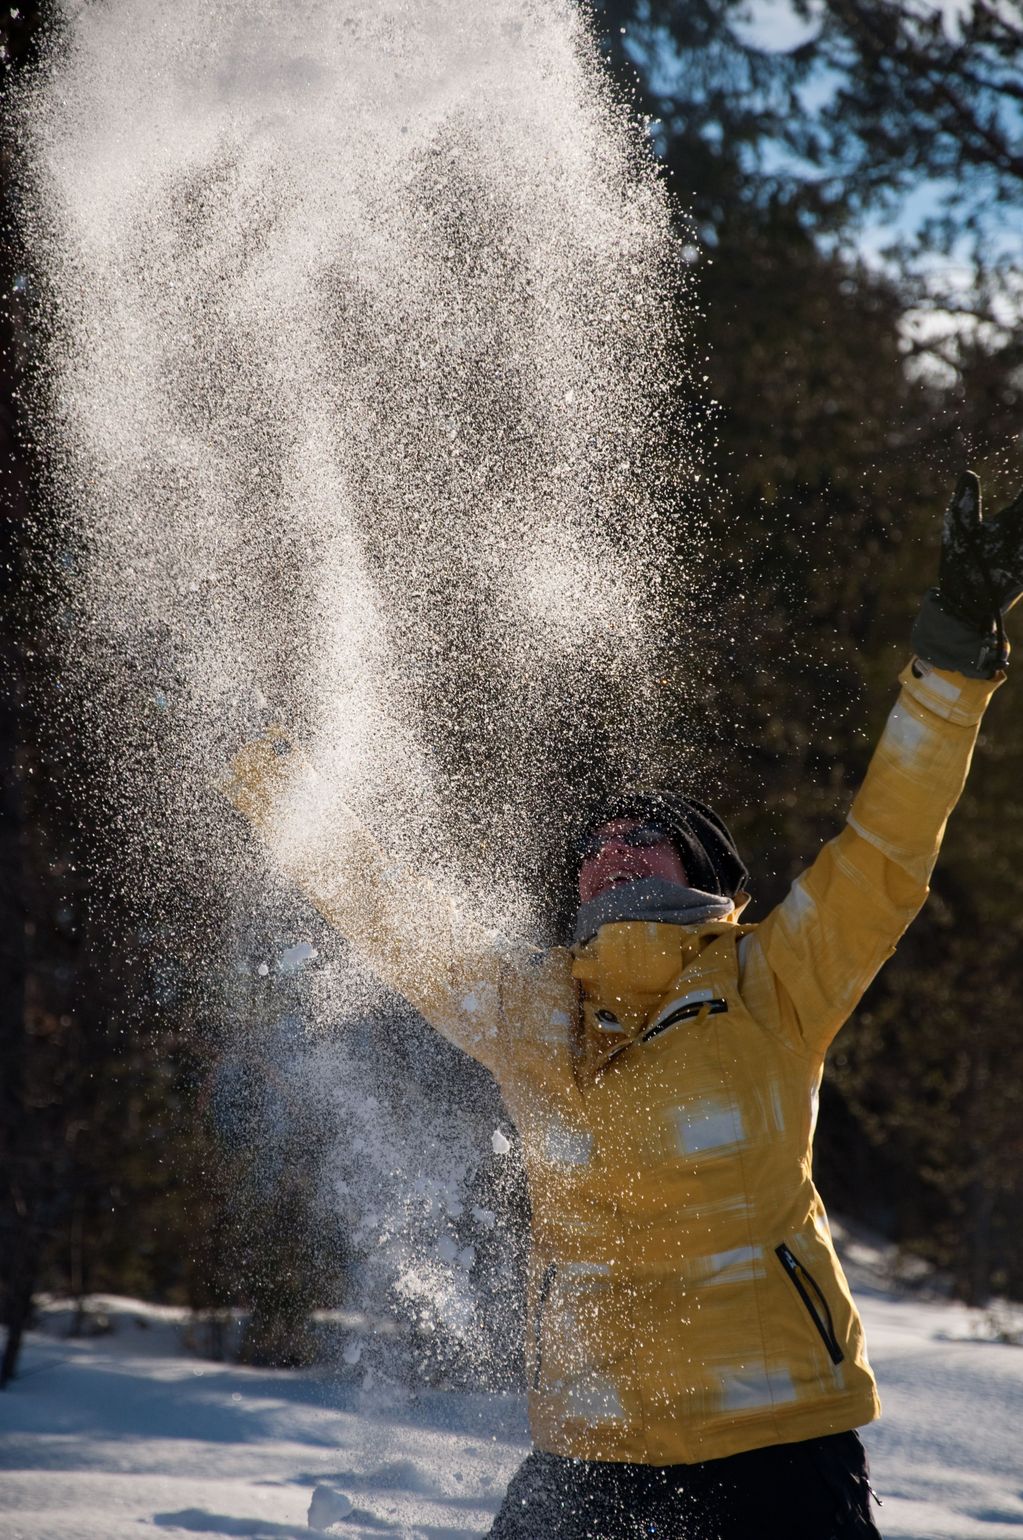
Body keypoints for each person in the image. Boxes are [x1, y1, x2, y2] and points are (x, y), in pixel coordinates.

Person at [226, 472, 1023, 1539]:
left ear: (703, 869)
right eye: (595, 844)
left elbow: (887, 846)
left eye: (644, 832)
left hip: (776, 1437)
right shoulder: (533, 1015)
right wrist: (259, 763)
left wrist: (952, 658)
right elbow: (389, 911)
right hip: (590, 1447)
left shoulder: (772, 980)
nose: (612, 846)